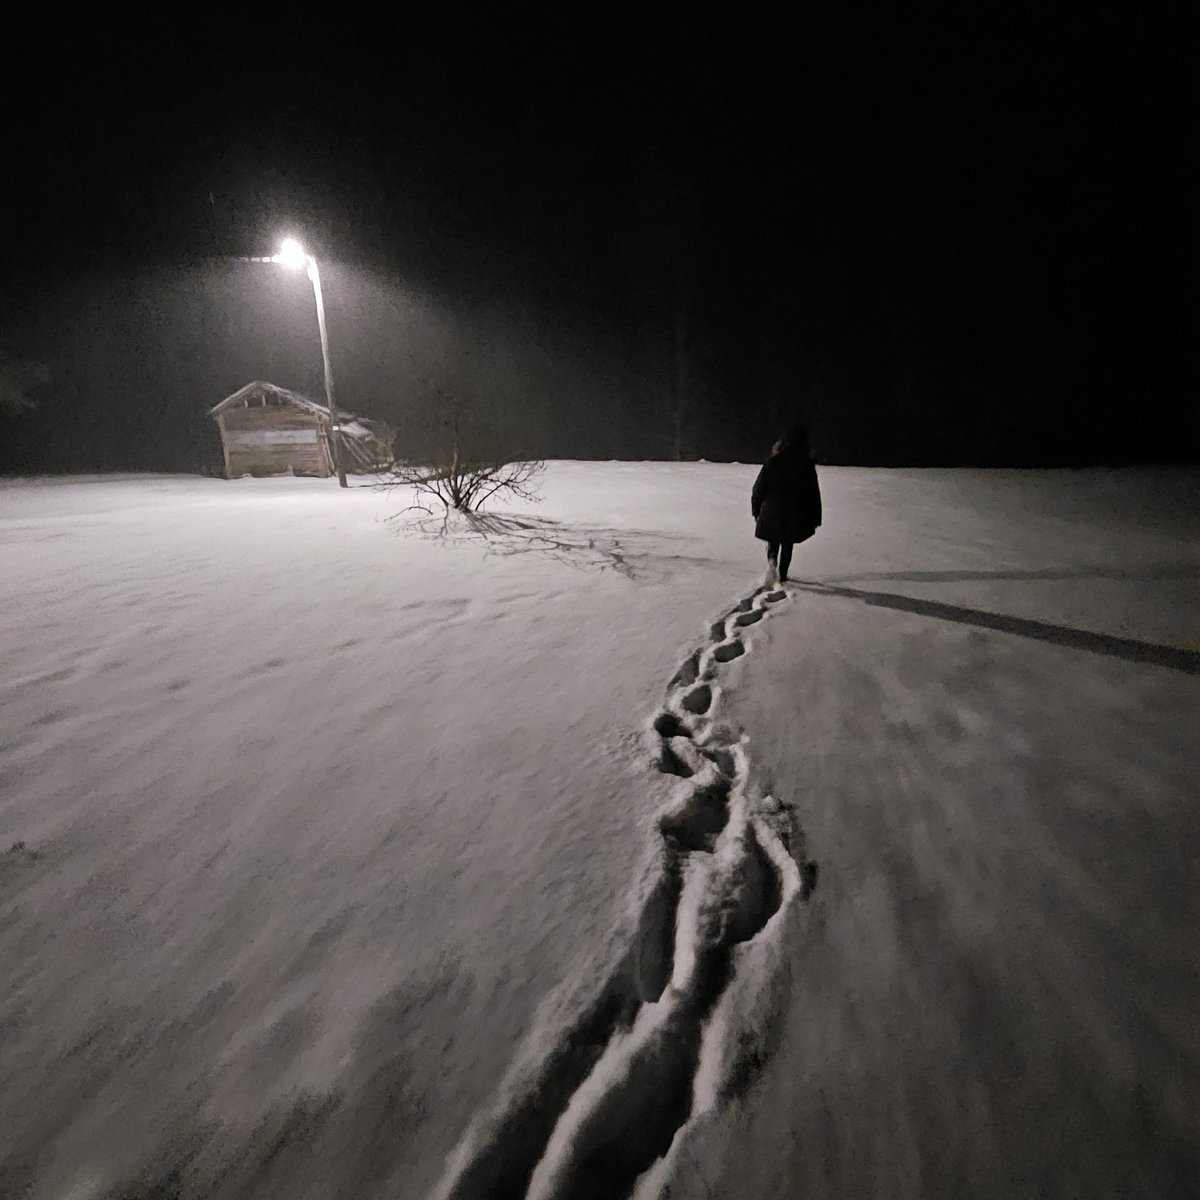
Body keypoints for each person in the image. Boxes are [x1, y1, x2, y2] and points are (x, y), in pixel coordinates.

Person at [751, 424, 822, 584]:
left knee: (773, 540)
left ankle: (771, 564)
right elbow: (813, 493)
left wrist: (756, 509)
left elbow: (759, 488)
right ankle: (782, 575)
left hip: (772, 508)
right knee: (788, 543)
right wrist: (815, 517)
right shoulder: (806, 464)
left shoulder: (773, 462)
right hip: (795, 511)